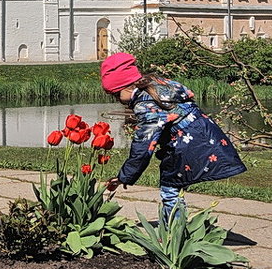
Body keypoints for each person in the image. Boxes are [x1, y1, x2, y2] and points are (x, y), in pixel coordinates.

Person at [100, 52, 245, 223]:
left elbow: (143, 144)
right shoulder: (159, 85)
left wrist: (125, 176)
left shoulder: (145, 104)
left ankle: (174, 234)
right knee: (174, 186)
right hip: (204, 135)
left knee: (170, 190)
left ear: (127, 86)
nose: (118, 100)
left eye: (117, 94)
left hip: (187, 145)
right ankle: (173, 228)